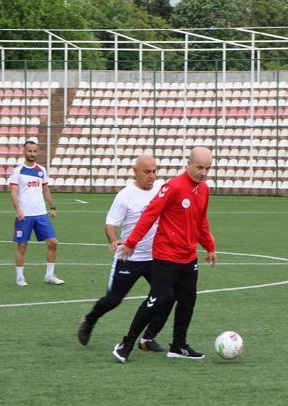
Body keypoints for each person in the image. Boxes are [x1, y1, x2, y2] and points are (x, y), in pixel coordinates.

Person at [111, 146, 217, 363]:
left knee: (188, 300)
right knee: (156, 300)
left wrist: (209, 247)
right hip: (166, 256)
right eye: (199, 167)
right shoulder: (173, 187)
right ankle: (126, 344)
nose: (203, 172)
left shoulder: (204, 190)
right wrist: (131, 242)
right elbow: (150, 214)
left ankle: (178, 345)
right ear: (188, 164)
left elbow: (201, 221)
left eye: (207, 168)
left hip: (189, 257)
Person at [77, 155, 171, 352]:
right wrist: (113, 239)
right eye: (147, 172)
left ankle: (147, 338)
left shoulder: (161, 188)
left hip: (155, 257)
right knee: (113, 300)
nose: (152, 176)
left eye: (154, 171)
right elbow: (110, 223)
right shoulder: (125, 196)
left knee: (168, 297)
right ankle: (90, 319)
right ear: (135, 172)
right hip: (129, 258)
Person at [9, 138, 64, 287]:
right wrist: (18, 210)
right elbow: (13, 192)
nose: (32, 154)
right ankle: (20, 277)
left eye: (34, 151)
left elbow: (46, 189)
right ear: (24, 151)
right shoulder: (18, 171)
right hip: (24, 215)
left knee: (53, 243)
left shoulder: (41, 170)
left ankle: (49, 275)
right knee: (22, 245)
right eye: (29, 151)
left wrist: (52, 207)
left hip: (41, 214)